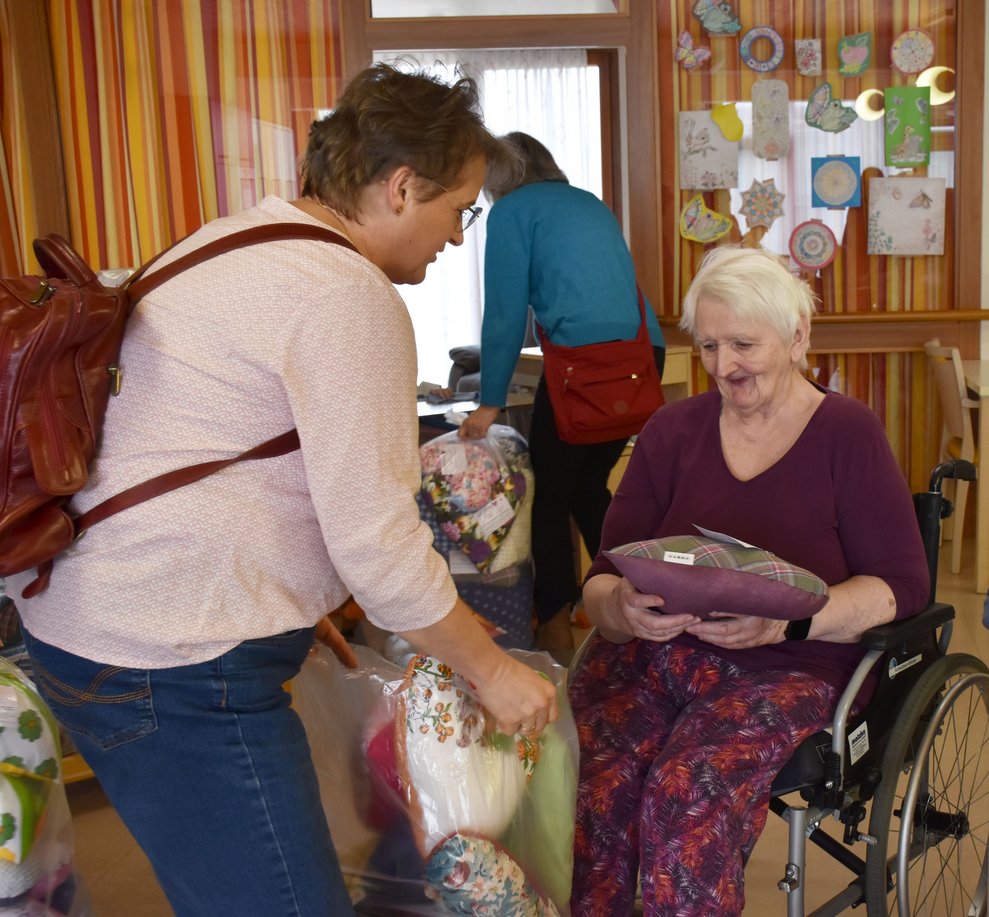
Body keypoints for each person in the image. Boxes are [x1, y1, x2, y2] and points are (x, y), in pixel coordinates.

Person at [5, 64, 557, 917]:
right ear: (402, 187)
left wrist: (298, 610)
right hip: (171, 656)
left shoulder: (236, 243)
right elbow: (378, 542)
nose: (457, 236)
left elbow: (222, 451)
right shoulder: (346, 294)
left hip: (91, 621)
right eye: (460, 209)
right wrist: (488, 669)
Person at [569, 246, 929, 916]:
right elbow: (602, 575)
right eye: (707, 345)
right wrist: (620, 607)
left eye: (742, 342)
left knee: (686, 790)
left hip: (788, 665)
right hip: (658, 654)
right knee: (596, 786)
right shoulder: (672, 429)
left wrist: (789, 620)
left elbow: (901, 584)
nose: (723, 366)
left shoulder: (845, 433)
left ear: (797, 337)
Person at [458, 131, 666, 659]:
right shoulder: (588, 203)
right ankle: (637, 600)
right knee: (588, 487)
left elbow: (505, 312)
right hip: (642, 359)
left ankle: (555, 625)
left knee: (549, 497)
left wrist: (489, 402)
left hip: (588, 368)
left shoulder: (512, 213)